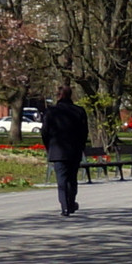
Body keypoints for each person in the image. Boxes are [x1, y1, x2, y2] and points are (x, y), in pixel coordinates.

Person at [40, 86, 88, 218]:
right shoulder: (79, 111)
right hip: (74, 150)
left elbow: (44, 132)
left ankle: (65, 207)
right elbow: (84, 132)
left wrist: (49, 147)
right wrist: (81, 147)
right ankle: (71, 202)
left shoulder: (51, 112)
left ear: (58, 96)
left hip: (57, 150)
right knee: (72, 179)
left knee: (61, 180)